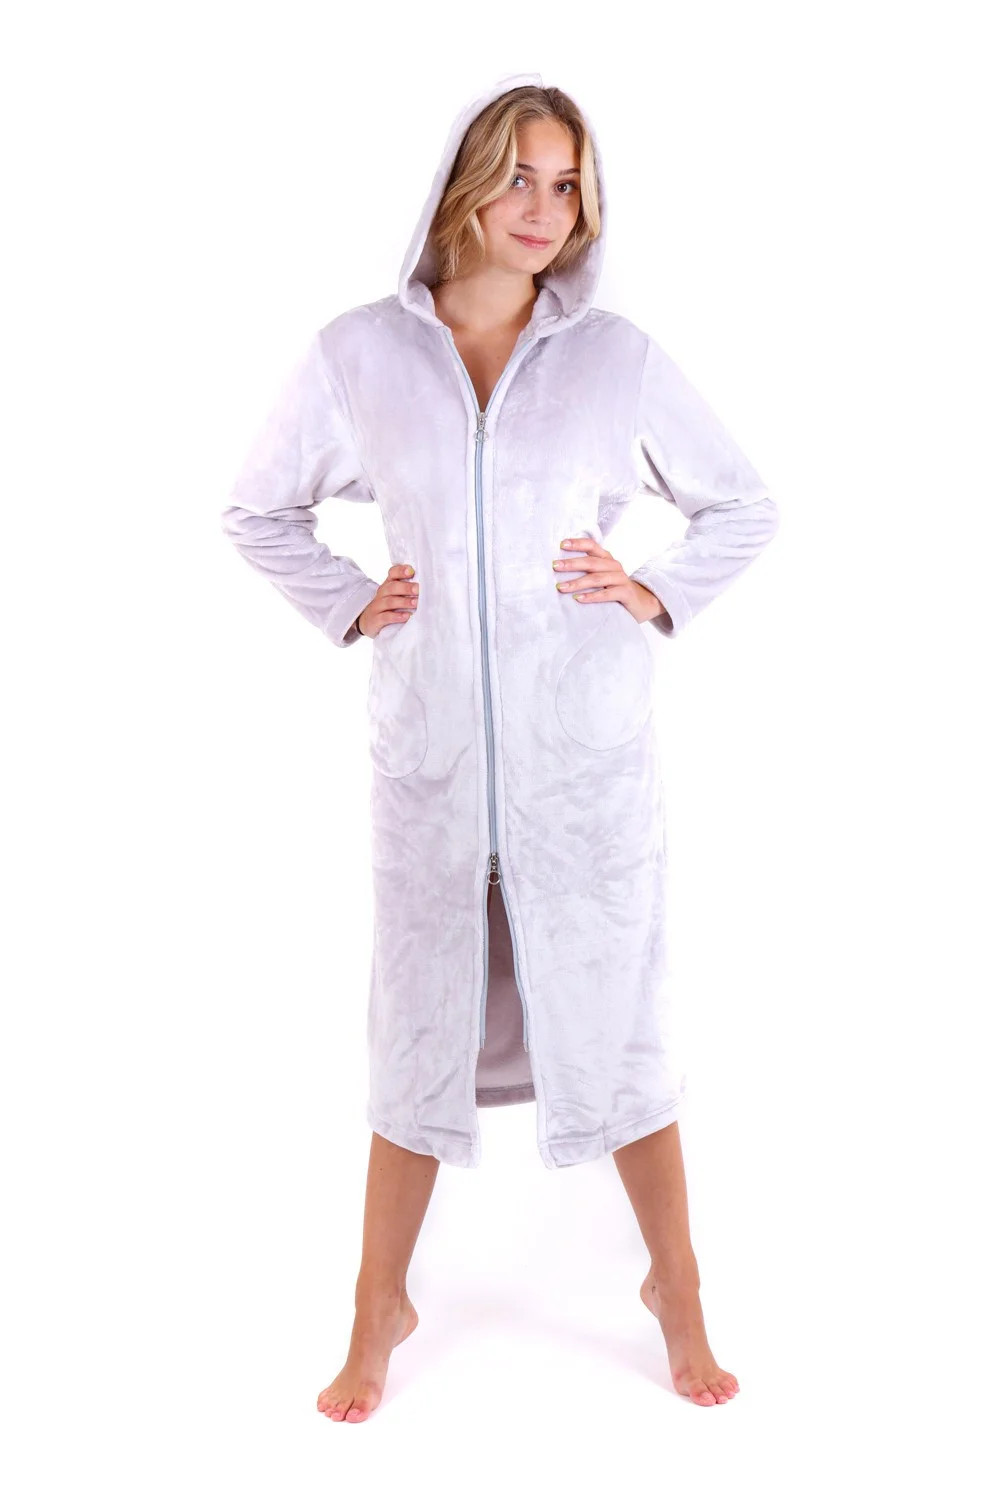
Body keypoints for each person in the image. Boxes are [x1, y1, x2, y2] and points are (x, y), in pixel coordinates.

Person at [221, 72, 778, 1420]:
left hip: (583, 766)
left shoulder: (614, 358)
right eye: (520, 176)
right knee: (415, 1039)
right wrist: (353, 602)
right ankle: (379, 1306)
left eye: (567, 183)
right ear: (466, 183)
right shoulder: (361, 354)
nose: (544, 207)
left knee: (619, 1027)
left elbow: (742, 506)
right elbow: (257, 511)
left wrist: (651, 590)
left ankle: (677, 1288)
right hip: (431, 769)